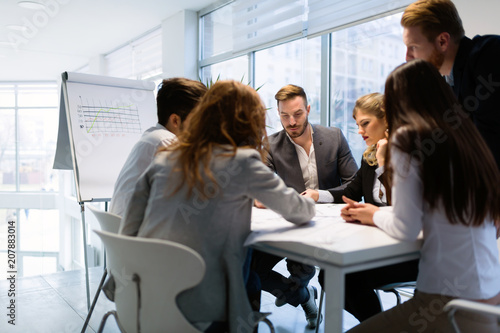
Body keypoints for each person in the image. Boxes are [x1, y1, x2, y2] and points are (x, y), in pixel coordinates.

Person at [119, 80, 316, 333]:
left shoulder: (163, 159)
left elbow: (129, 230)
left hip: (144, 302)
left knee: (252, 279)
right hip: (205, 311)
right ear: (250, 122)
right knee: (246, 270)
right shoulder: (243, 161)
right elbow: (301, 211)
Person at [342, 59, 500, 332]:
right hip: (489, 297)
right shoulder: (468, 138)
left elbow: (405, 228)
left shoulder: (406, 140)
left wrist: (375, 214)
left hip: (447, 303)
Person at [251, 84, 358, 329]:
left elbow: (354, 183)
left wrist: (320, 195)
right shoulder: (270, 144)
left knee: (299, 268)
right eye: (284, 115)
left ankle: (300, 285)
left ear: (308, 109)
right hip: (290, 223)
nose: (291, 121)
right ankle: (303, 297)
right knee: (253, 269)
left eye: (297, 114)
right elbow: (260, 189)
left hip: (328, 226)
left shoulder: (334, 137)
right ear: (277, 113)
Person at [324, 92, 419, 322]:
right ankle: (377, 324)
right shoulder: (370, 158)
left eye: (365, 123)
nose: (360, 131)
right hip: (377, 247)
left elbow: (408, 209)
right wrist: (318, 195)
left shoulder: (412, 155)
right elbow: (349, 193)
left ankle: (377, 326)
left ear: (387, 120)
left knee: (346, 278)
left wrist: (387, 163)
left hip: (410, 251)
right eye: (357, 125)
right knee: (328, 275)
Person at [401, 0, 500, 169]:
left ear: (442, 41)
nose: (407, 57)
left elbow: (488, 145)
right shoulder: (448, 82)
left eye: (414, 47)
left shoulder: (489, 54)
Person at [109, 77, 207, 216]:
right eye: (198, 119)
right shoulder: (165, 142)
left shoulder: (154, 137)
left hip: (126, 230)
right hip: (138, 234)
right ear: (175, 120)